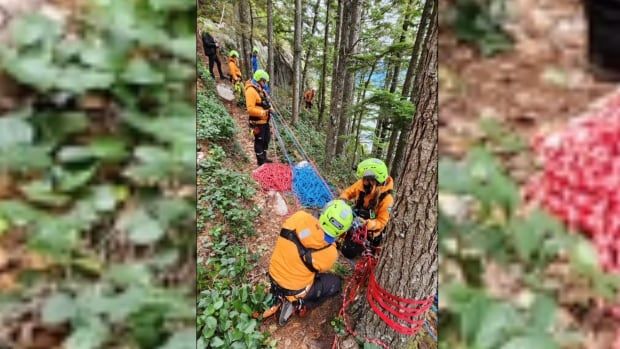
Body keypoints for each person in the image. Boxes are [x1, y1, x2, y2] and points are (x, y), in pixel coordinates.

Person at [265, 199, 353, 325]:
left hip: (273, 274)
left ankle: (282, 296)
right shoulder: (330, 253)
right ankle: (303, 305)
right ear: (342, 231)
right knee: (336, 283)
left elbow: (307, 234)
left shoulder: (299, 217)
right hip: (293, 291)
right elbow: (321, 268)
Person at [338, 158, 394, 259]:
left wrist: (367, 224)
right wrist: (342, 199)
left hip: (369, 231)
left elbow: (382, 222)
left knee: (348, 252)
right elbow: (348, 192)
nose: (364, 182)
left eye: (367, 180)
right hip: (357, 219)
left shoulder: (387, 200)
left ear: (375, 180)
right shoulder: (361, 184)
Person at [245, 69, 273, 166]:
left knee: (266, 140)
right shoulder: (251, 91)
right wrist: (264, 113)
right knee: (259, 142)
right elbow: (250, 109)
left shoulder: (260, 89)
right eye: (263, 81)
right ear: (258, 79)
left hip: (265, 122)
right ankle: (261, 162)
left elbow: (264, 102)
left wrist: (270, 108)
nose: (264, 83)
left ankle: (264, 158)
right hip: (257, 123)